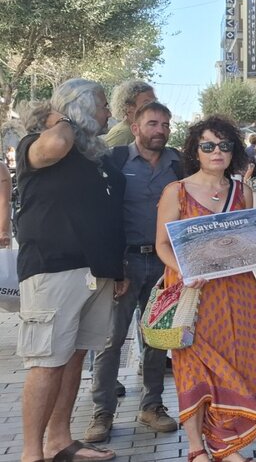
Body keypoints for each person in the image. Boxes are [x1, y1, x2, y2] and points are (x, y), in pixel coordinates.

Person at [154, 116, 256, 461]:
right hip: (194, 293)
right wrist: (184, 271)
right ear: (195, 150)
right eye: (208, 146)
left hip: (238, 292)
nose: (216, 152)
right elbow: (162, 244)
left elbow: (245, 243)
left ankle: (224, 444)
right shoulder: (176, 191)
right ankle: (197, 448)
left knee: (241, 360)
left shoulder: (242, 191)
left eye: (224, 145)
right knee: (194, 366)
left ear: (234, 150)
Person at [17, 79, 125, 462]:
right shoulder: (38, 144)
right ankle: (32, 453)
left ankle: (59, 441)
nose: (109, 113)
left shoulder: (92, 156)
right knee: (47, 363)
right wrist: (62, 117)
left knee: (75, 356)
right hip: (53, 268)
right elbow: (57, 144)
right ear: (80, 109)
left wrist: (117, 267)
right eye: (102, 105)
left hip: (96, 270)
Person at [86, 102, 181, 444]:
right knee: (111, 340)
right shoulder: (114, 160)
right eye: (153, 123)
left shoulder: (178, 163)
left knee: (157, 338)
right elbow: (99, 215)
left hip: (164, 264)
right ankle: (102, 412)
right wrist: (110, 266)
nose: (160, 130)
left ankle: (152, 406)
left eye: (165, 124)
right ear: (135, 127)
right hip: (124, 264)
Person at [103, 79, 155, 147]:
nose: (154, 107)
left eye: (155, 102)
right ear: (128, 107)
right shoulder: (124, 134)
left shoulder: (136, 132)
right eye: (146, 103)